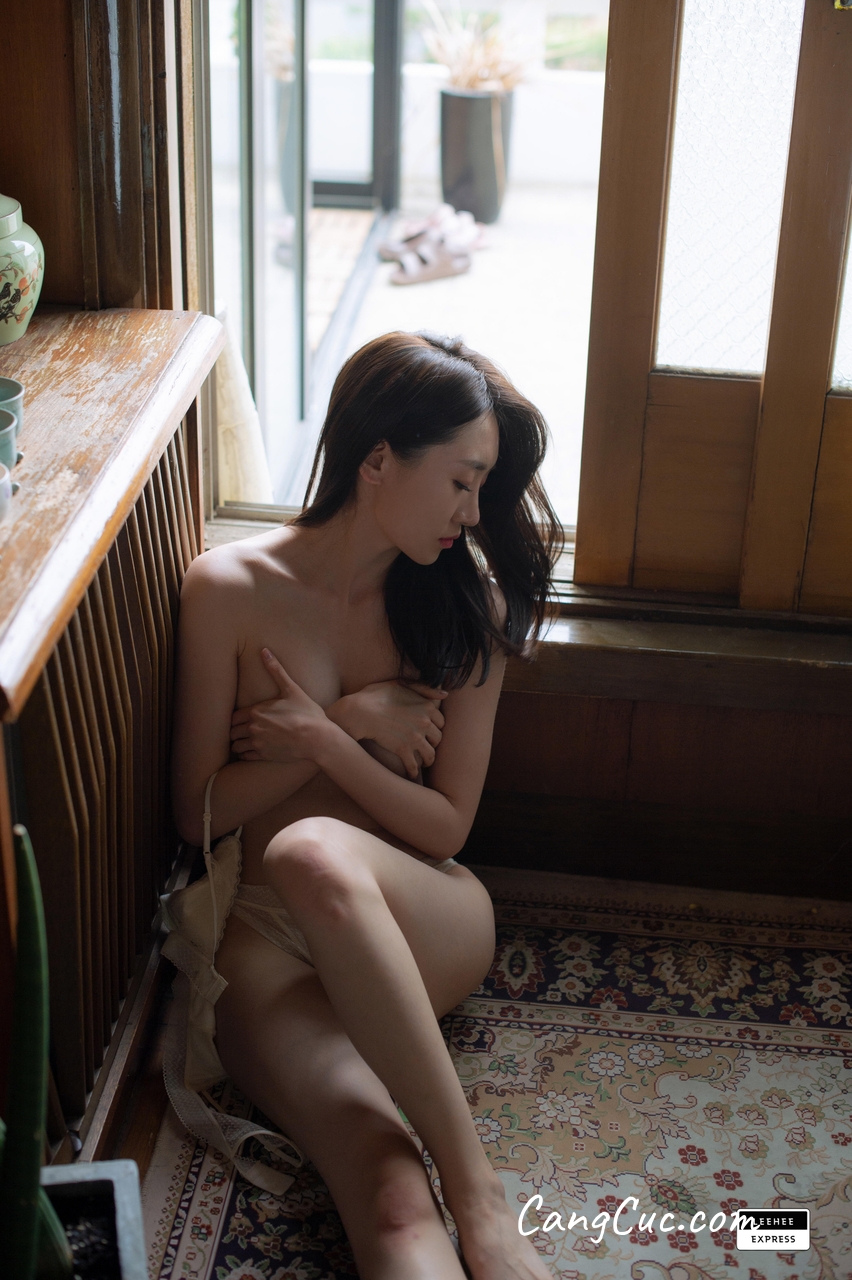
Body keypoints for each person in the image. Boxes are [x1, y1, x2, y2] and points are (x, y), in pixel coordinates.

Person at [169, 331, 562, 1279]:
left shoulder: (464, 613)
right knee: (387, 1195)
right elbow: (199, 814)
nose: (473, 513)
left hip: (423, 910)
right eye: (462, 481)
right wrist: (340, 722)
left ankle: (479, 1193)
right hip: (268, 946)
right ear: (379, 460)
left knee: (312, 849)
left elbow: (445, 827)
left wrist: (324, 744)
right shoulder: (228, 589)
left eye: (484, 488)